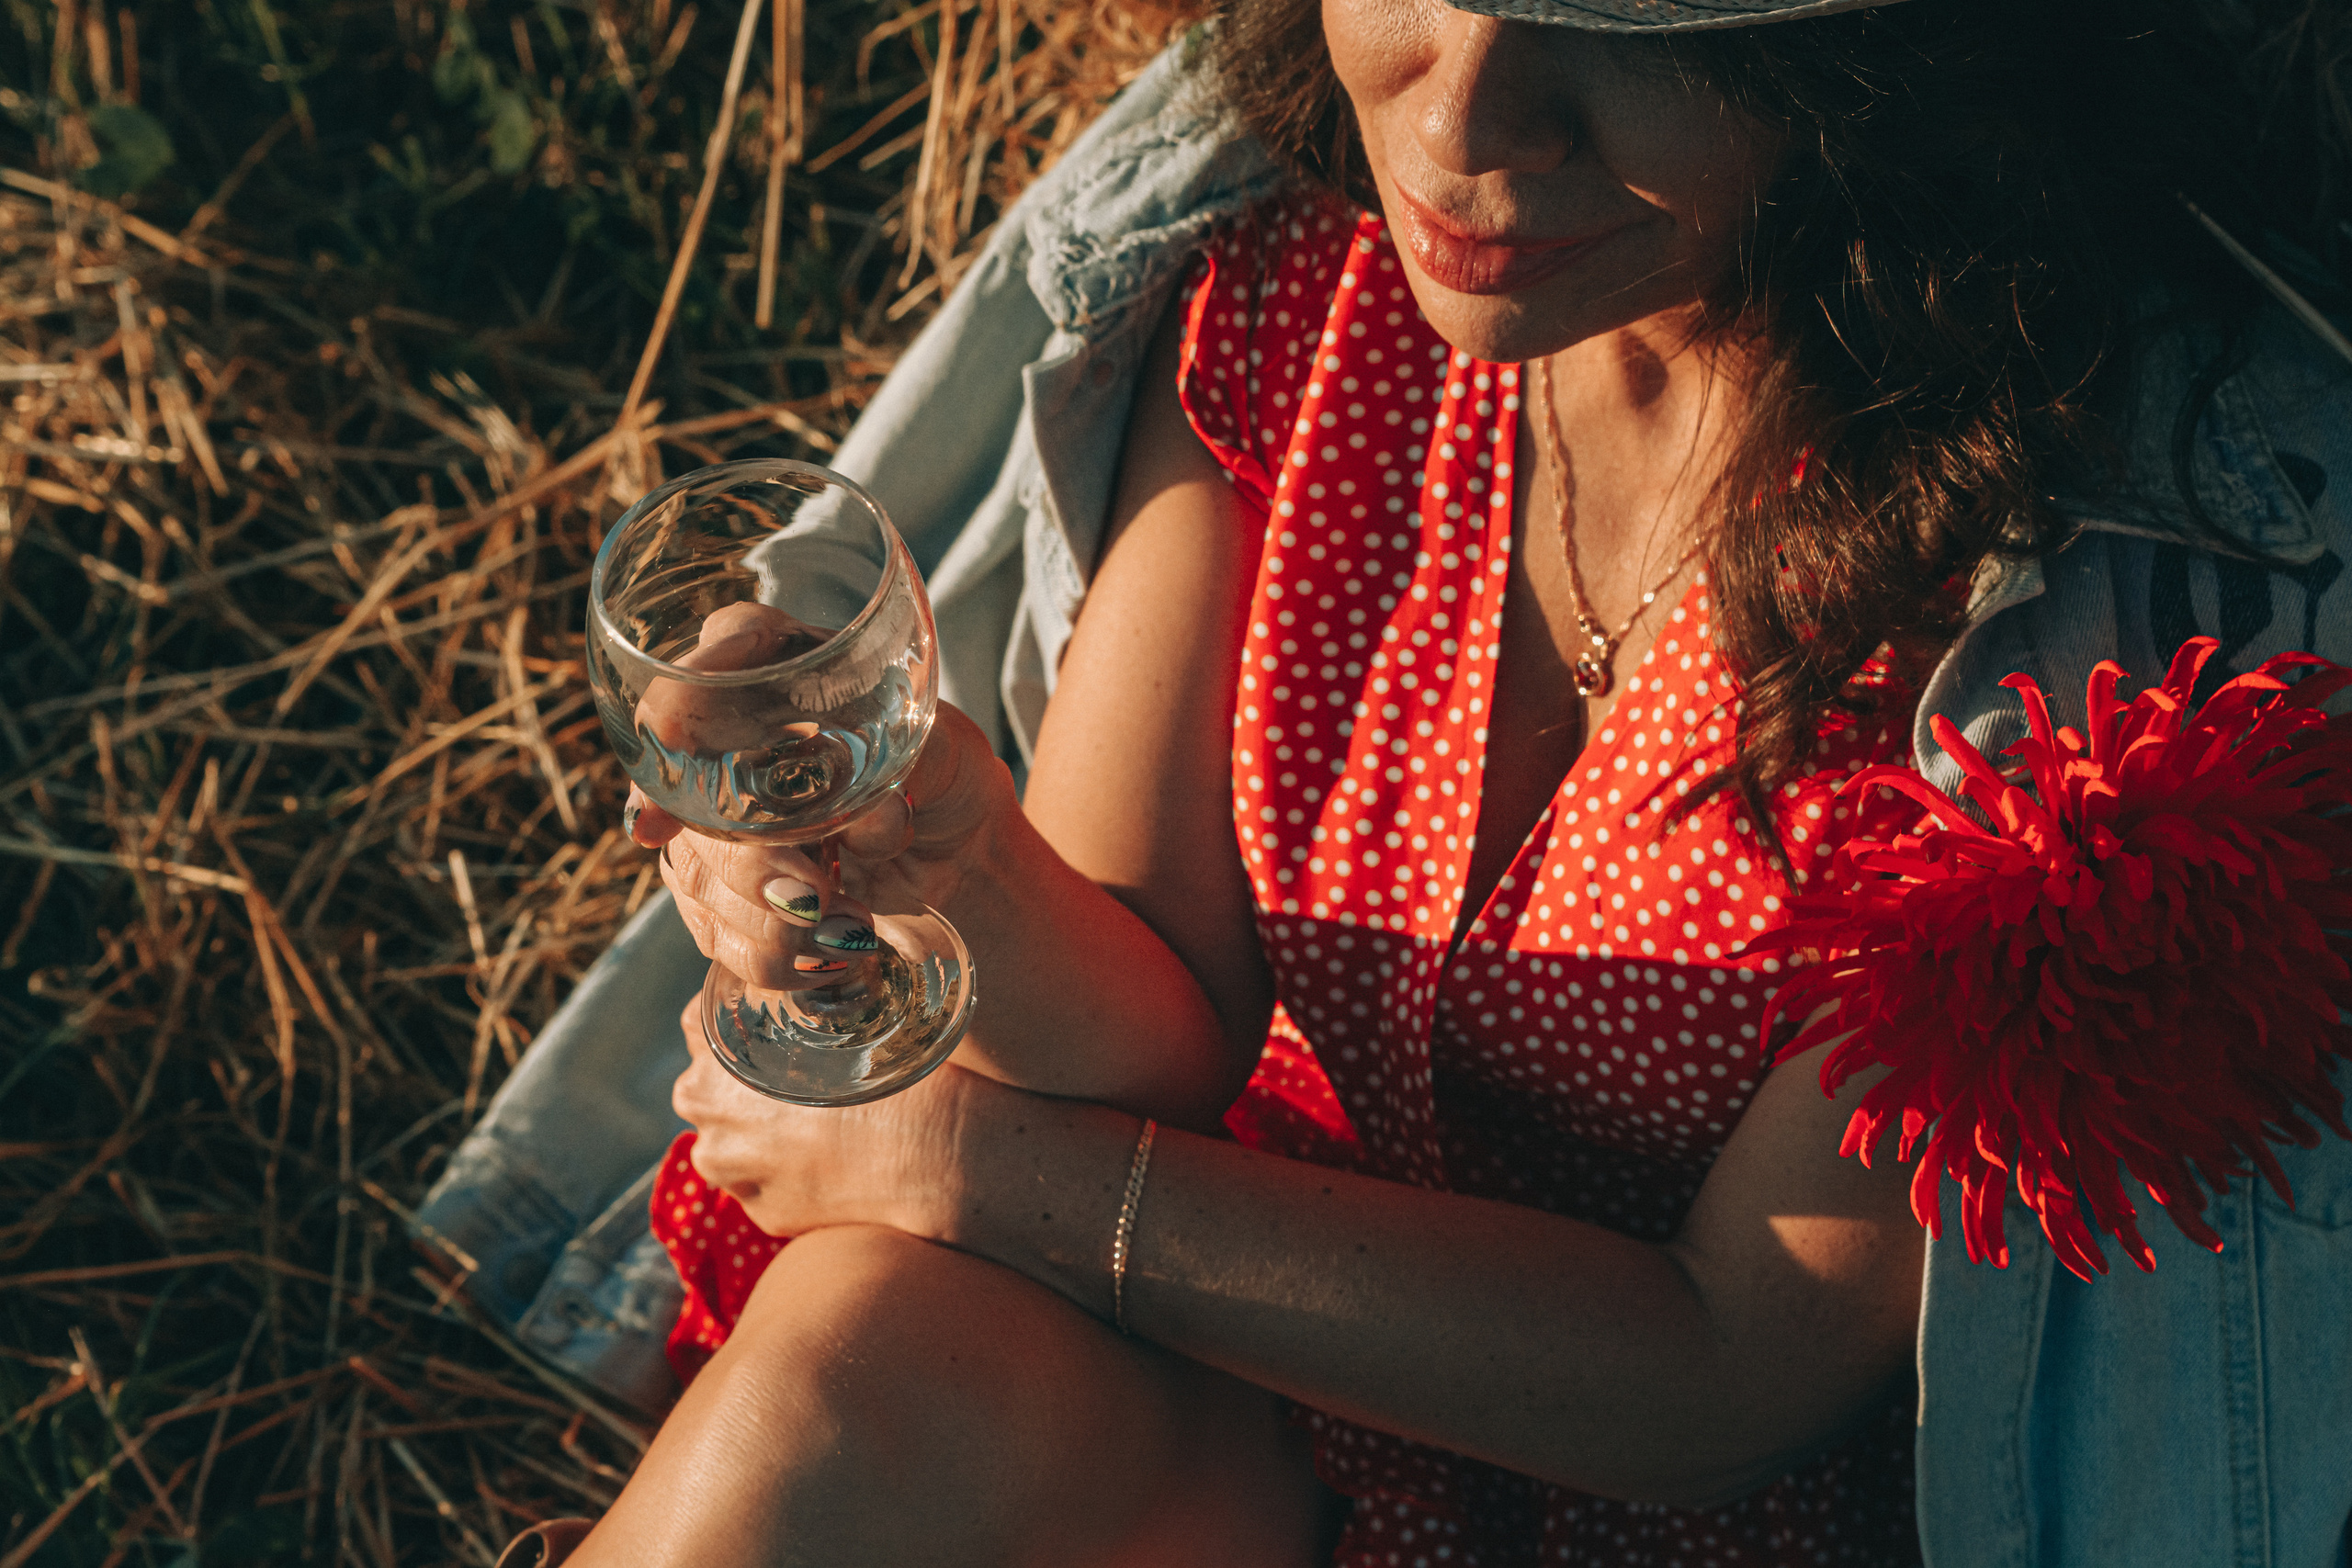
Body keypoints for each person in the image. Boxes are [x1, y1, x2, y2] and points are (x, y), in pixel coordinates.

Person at [492, 0, 2352, 1562]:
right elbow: (1158, 1024)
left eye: (1631, 28)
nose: (1463, 119)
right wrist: (939, 846)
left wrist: (953, 1158)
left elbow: (1723, 1372)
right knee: (852, 1358)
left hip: (1655, 1505)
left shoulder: (2108, 634)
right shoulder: (1305, 290)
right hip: (1248, 1369)